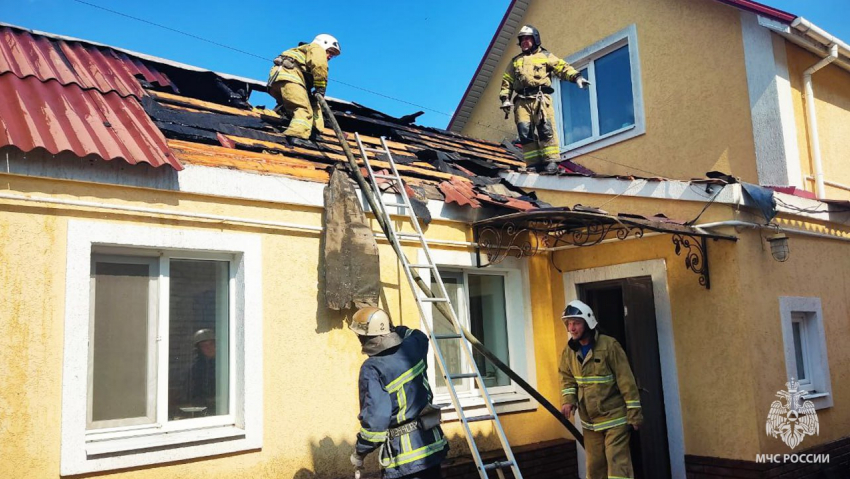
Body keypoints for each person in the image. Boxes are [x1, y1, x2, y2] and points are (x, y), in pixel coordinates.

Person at [348, 307, 449, 479]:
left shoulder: (372, 368)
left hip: (406, 459)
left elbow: (376, 421)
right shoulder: (415, 346)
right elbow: (417, 334)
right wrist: (391, 327)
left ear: (364, 338)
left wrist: (360, 452)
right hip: (432, 445)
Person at [558, 300, 643, 479]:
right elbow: (567, 378)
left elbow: (626, 381)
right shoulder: (569, 351)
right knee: (594, 468)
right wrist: (568, 401)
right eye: (569, 324)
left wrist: (634, 413)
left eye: (576, 323)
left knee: (617, 465)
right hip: (590, 422)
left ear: (588, 323)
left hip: (615, 418)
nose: (571, 328)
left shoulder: (609, 346)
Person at [499, 25, 590, 174]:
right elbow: (507, 81)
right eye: (522, 40)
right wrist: (505, 98)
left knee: (545, 128)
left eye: (527, 39)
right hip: (521, 100)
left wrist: (577, 77)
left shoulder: (546, 56)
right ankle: (533, 163)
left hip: (540, 98)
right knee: (524, 131)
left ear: (535, 39)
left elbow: (562, 67)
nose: (524, 42)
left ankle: (551, 161)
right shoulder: (515, 61)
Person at [267, 34, 341, 139]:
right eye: (329, 52)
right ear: (323, 44)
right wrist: (320, 88)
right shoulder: (316, 48)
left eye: (332, 55)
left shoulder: (303, 51)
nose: (330, 56)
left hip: (279, 80)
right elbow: (320, 66)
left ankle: (314, 130)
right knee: (303, 109)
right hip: (290, 77)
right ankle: (297, 135)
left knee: (308, 104)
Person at [186, 328, 217, 413]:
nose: (209, 348)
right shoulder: (196, 368)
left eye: (211, 344)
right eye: (204, 346)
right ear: (199, 349)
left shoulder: (226, 364)